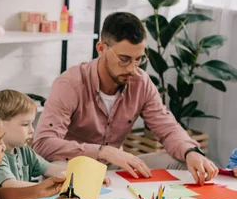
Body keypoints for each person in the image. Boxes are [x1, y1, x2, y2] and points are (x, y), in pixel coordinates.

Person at [33, 12, 218, 185]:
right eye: (124, 59)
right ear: (101, 48)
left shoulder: (140, 83)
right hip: (71, 166)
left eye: (139, 59)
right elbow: (43, 144)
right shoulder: (70, 84)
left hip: (112, 167)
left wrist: (190, 151)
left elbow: (167, 127)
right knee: (71, 178)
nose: (132, 68)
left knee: (182, 162)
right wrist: (101, 151)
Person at [0, 89, 111, 199]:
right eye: (25, 124)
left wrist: (87, 176)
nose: (32, 130)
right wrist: (50, 187)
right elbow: (11, 186)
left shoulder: (23, 150)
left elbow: (50, 168)